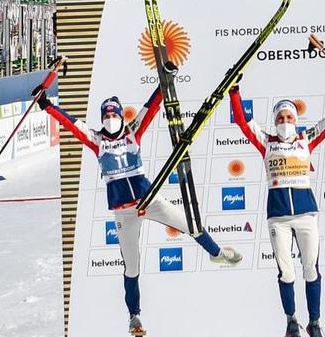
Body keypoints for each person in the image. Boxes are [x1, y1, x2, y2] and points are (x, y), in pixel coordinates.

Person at [39, 90, 242, 336]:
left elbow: (151, 107)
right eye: (106, 114)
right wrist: (47, 104)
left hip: (149, 198)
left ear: (121, 115)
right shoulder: (96, 139)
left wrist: (164, 82)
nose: (110, 117)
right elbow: (70, 122)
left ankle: (217, 254)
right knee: (132, 267)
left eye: (114, 113)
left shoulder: (133, 131)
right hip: (125, 213)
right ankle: (134, 317)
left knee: (190, 223)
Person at [230, 73, 325, 337]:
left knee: (310, 268)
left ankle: (315, 322)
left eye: (289, 117)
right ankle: (291, 321)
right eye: (280, 118)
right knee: (286, 272)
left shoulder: (305, 139)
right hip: (278, 217)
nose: (284, 122)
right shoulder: (267, 143)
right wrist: (234, 92)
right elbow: (243, 121)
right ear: (274, 121)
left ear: (295, 120)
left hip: (306, 215)